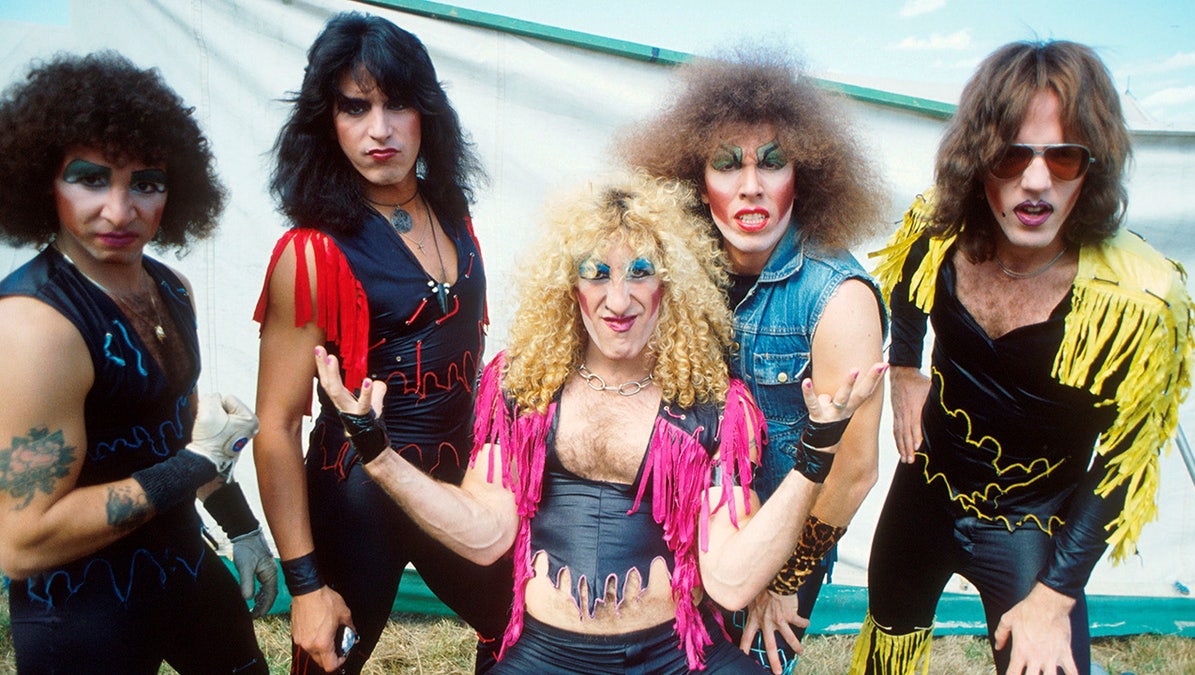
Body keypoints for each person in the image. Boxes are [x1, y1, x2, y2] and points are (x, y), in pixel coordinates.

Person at [311, 172, 887, 674]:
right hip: (544, 654)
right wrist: (379, 455)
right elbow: (485, 534)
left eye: (640, 272)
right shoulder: (522, 389)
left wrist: (815, 456)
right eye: (596, 273)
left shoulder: (713, 406)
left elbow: (732, 580)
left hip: (675, 656)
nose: (618, 299)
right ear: (571, 288)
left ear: (670, 287)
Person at [852, 40, 1195, 675]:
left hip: (1031, 524)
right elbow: (905, 280)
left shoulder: (1141, 297)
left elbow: (1125, 461)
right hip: (925, 487)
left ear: (1093, 166)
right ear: (978, 159)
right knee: (887, 645)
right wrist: (905, 367)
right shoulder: (941, 228)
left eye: (1063, 157)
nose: (1035, 181)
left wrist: (1056, 594)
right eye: (1012, 154)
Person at [252, 12, 510, 674]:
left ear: (426, 113)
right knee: (327, 662)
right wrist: (305, 585)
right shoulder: (309, 253)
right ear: (327, 120)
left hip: (456, 485)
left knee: (522, 632)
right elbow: (276, 426)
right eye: (355, 106)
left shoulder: (453, 216)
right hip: (357, 500)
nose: (380, 129)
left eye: (398, 104)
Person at [0, 52, 270, 673]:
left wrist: (240, 524)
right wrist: (198, 464)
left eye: (145, 182)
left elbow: (177, 426)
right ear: (45, 180)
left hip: (182, 567)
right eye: (91, 179)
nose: (120, 212)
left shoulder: (170, 287)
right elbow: (22, 542)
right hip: (81, 614)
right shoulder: (36, 327)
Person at [622, 53, 888, 673]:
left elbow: (852, 470)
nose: (750, 186)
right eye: (727, 163)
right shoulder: (670, 268)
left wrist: (783, 574)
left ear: (805, 175)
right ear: (694, 176)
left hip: (778, 544)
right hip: (671, 531)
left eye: (772, 162)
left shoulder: (837, 297)